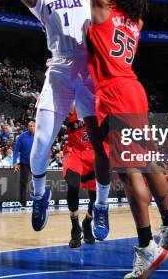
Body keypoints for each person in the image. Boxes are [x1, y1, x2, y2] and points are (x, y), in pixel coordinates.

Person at [66, 0, 168, 277]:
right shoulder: (135, 20)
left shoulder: (103, 6)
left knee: (130, 171)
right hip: (134, 88)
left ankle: (145, 246)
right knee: (148, 161)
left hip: (115, 92)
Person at [7, 0, 109, 235]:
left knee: (100, 146)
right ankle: (39, 194)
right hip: (60, 77)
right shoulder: (44, 5)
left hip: (90, 77)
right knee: (40, 144)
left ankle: (101, 206)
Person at [63, 105, 99, 248]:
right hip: (75, 152)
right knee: (72, 184)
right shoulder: (73, 105)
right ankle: (75, 227)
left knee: (95, 197)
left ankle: (87, 223)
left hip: (95, 153)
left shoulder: (100, 105)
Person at [13, 120, 35, 206]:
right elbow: (16, 151)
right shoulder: (21, 137)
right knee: (23, 182)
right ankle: (22, 202)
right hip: (24, 163)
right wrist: (15, 162)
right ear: (27, 127)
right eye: (30, 126)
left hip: (35, 163)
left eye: (33, 126)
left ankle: (38, 200)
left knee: (38, 182)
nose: (32, 127)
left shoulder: (38, 136)